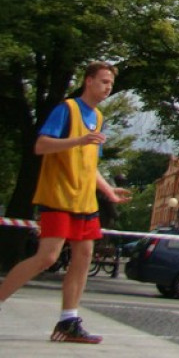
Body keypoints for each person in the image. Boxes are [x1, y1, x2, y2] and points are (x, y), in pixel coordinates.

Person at [0, 61, 131, 343]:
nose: (108, 87)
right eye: (104, 81)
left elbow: (89, 163)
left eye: (111, 83)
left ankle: (68, 321)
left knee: (83, 257)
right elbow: (41, 145)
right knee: (47, 257)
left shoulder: (97, 117)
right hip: (59, 194)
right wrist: (79, 140)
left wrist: (108, 191)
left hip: (84, 200)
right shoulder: (67, 110)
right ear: (89, 81)